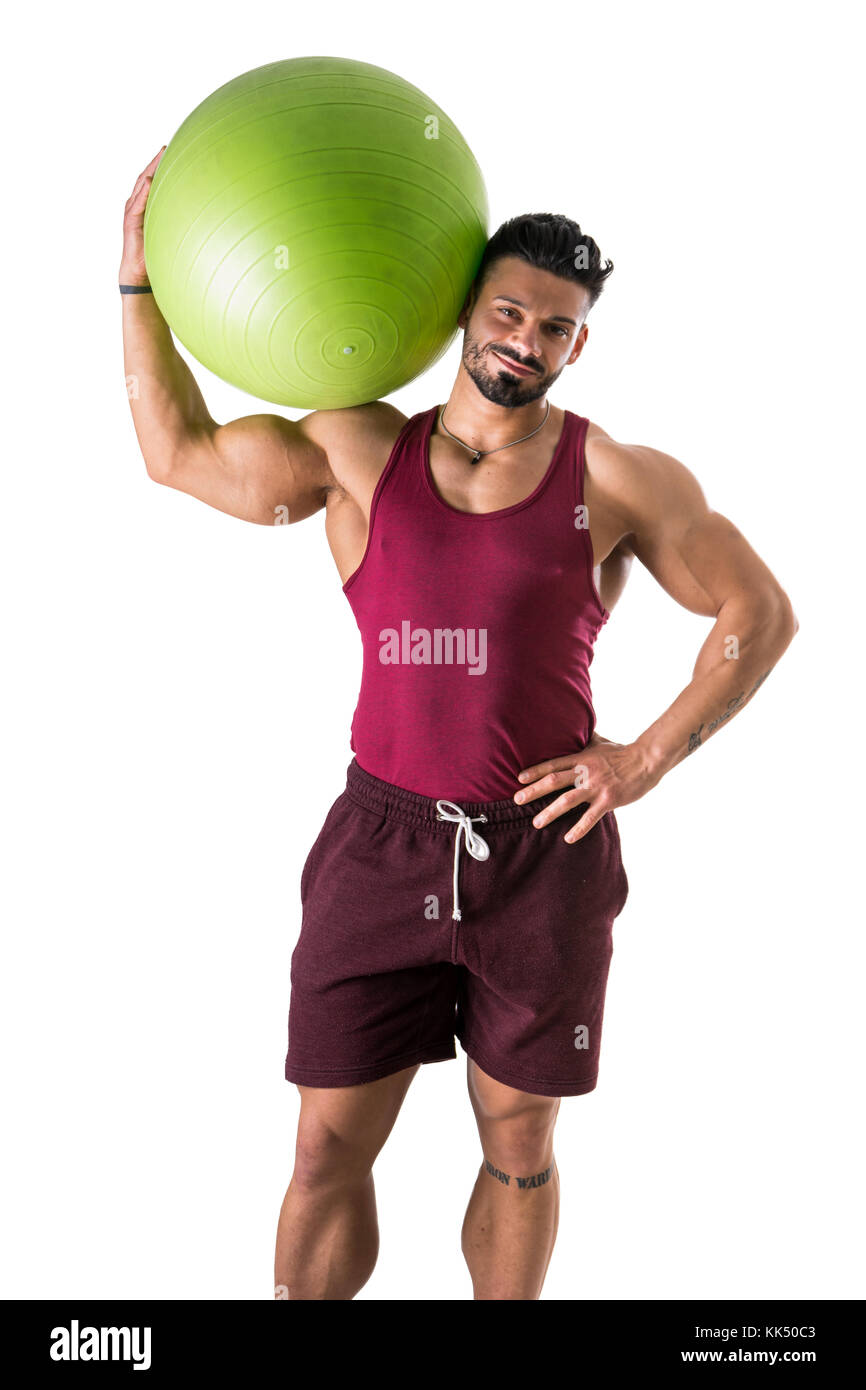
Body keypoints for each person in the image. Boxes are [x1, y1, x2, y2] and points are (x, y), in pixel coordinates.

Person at [121, 149, 799, 1301]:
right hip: (378, 844)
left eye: (554, 325)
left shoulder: (621, 478)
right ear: (463, 312)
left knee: (519, 1145)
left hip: (541, 855)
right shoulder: (356, 449)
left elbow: (759, 611)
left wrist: (635, 761)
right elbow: (176, 454)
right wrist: (138, 283)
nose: (524, 340)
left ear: (577, 344)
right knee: (324, 1143)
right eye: (507, 310)